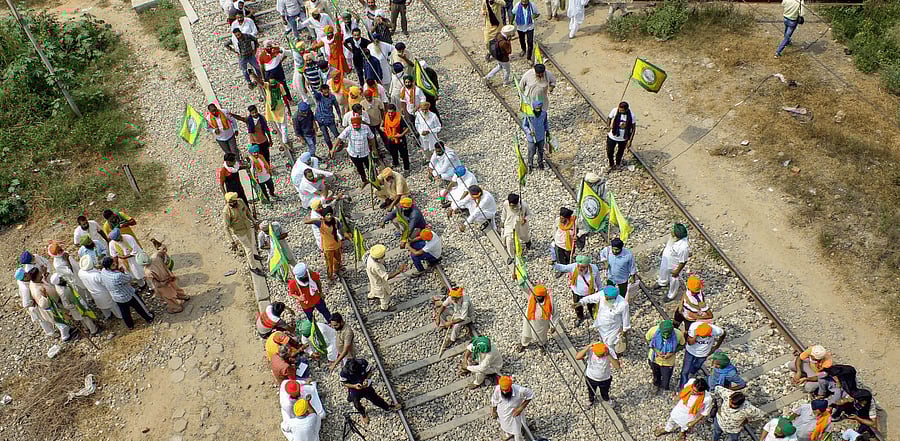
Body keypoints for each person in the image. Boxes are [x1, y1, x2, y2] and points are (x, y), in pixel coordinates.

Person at [339, 357, 401, 425]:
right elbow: (345, 383)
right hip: (355, 390)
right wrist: (354, 386)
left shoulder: (363, 362)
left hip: (366, 387)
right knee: (357, 404)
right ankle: (363, 413)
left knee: (375, 399)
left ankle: (387, 407)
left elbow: (370, 372)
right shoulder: (344, 372)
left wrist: (367, 379)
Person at [99, 257, 154, 329]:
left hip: (116, 297)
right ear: (109, 267)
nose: (115, 264)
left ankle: (130, 325)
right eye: (113, 264)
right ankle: (149, 317)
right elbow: (129, 278)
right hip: (128, 294)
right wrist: (122, 272)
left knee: (125, 312)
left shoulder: (103, 271)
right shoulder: (117, 276)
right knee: (140, 306)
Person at [222, 192, 266, 277]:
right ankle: (253, 267)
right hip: (239, 232)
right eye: (230, 202)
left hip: (247, 227)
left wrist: (254, 221)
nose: (233, 203)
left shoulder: (240, 202)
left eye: (234, 201)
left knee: (251, 243)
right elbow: (226, 227)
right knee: (248, 248)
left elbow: (247, 212)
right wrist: (232, 241)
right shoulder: (226, 212)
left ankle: (253, 256)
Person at [136, 245, 189, 314]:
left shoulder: (147, 271)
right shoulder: (156, 256)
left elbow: (155, 283)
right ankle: (184, 296)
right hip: (170, 276)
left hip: (163, 284)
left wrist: (157, 290)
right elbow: (163, 249)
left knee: (168, 296)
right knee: (176, 288)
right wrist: (160, 247)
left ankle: (176, 308)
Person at [552, 255, 601, 327]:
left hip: (590, 293)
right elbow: (563, 268)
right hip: (577, 292)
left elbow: (598, 282)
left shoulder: (594, 269)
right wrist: (554, 264)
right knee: (577, 306)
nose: (580, 268)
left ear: (587, 265)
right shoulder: (573, 266)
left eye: (583, 267)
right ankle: (580, 317)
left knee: (591, 305)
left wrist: (600, 293)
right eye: (579, 266)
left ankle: (593, 315)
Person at [579, 285, 631, 353]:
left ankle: (612, 355)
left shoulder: (623, 304)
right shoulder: (602, 294)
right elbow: (590, 298)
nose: (605, 298)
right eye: (605, 296)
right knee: (602, 338)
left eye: (608, 298)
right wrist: (580, 302)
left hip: (613, 328)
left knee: (610, 342)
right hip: (601, 323)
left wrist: (624, 332)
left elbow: (626, 319)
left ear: (615, 297)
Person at [28, 268, 74, 341]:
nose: (41, 275)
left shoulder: (36, 281)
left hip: (56, 303)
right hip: (52, 309)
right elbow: (43, 304)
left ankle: (69, 328)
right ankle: (65, 336)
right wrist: (45, 296)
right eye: (40, 274)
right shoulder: (37, 289)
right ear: (36, 276)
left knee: (64, 319)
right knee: (61, 323)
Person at [679, 322, 726, 388]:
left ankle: (691, 373)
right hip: (690, 351)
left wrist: (717, 346)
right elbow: (690, 343)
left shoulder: (716, 330)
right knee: (684, 372)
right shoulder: (693, 327)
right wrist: (695, 336)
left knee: (697, 366)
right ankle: (682, 388)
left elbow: (723, 333)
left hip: (703, 353)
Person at [302, 207, 344, 279]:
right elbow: (306, 221)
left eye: (330, 214)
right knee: (329, 264)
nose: (329, 216)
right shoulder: (320, 223)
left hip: (337, 245)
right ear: (324, 216)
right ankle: (330, 276)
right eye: (327, 215)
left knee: (338, 260)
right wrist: (317, 219)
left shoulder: (336, 221)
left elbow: (341, 229)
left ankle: (336, 270)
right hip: (327, 248)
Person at [334, 116, 376, 187]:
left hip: (365, 153)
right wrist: (333, 149)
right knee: (359, 168)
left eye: (357, 125)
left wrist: (374, 149)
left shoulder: (366, 128)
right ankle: (364, 180)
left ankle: (374, 180)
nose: (356, 127)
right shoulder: (349, 129)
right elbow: (339, 138)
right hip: (354, 154)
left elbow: (371, 138)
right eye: (354, 126)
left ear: (360, 123)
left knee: (370, 167)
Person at [646, 319, 685, 393]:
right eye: (664, 334)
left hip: (668, 362)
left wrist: (672, 352)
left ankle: (664, 388)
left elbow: (682, 345)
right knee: (655, 374)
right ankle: (656, 385)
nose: (666, 336)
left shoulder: (678, 334)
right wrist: (656, 350)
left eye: (668, 334)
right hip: (655, 359)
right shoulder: (653, 331)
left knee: (666, 378)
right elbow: (648, 339)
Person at [365, 244, 407, 311]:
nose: (384, 256)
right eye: (383, 256)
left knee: (373, 287)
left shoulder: (370, 256)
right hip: (380, 283)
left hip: (373, 278)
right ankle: (384, 308)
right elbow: (386, 277)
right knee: (385, 296)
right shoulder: (376, 267)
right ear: (378, 259)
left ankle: (371, 296)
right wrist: (399, 270)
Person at [490, 376, 534, 441]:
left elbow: (530, 395)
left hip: (515, 414)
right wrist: (494, 411)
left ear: (510, 387)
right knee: (504, 424)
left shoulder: (519, 390)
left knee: (517, 431)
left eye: (506, 390)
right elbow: (494, 400)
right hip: (502, 412)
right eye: (503, 390)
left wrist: (521, 408)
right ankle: (508, 434)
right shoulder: (497, 389)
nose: (504, 392)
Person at [654, 223, 690, 301]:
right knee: (663, 271)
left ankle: (671, 295)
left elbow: (683, 261)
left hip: (674, 265)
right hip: (666, 260)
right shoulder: (673, 238)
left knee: (674, 280)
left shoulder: (683, 247)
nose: (671, 231)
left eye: (673, 230)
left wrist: (677, 271)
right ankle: (662, 282)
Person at [16, 268, 56, 337]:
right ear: (23, 278)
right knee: (43, 320)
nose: (28, 276)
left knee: (44, 318)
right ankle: (51, 333)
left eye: (26, 274)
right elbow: (25, 304)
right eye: (25, 276)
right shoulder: (25, 288)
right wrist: (33, 301)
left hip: (36, 300)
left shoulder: (22, 281)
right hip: (33, 306)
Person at [518, 284, 557, 351]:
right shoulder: (531, 296)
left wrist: (553, 326)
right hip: (529, 321)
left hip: (542, 324)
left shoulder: (550, 301)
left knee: (541, 337)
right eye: (535, 295)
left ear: (543, 296)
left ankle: (541, 345)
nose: (536, 297)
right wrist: (516, 278)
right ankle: (524, 344)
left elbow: (556, 314)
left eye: (538, 296)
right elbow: (524, 286)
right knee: (526, 334)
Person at [500, 193, 532, 264]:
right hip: (509, 224)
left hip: (521, 225)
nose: (512, 207)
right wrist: (502, 221)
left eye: (513, 205)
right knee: (509, 240)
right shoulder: (506, 204)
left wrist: (525, 219)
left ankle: (528, 242)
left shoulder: (524, 205)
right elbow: (504, 213)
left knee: (524, 237)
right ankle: (512, 256)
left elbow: (529, 214)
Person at [607, 101, 636, 171]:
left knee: (620, 152)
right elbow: (609, 117)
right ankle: (611, 164)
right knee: (609, 151)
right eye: (619, 109)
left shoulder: (631, 115)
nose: (620, 111)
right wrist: (608, 126)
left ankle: (618, 164)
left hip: (623, 138)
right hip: (612, 136)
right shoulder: (615, 110)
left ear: (626, 110)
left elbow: (633, 128)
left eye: (622, 110)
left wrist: (630, 140)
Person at [313, 84, 343, 152]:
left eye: (327, 91)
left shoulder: (332, 97)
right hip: (320, 119)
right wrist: (311, 86)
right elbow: (314, 92)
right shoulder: (319, 97)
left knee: (336, 133)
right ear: (321, 91)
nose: (326, 93)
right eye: (324, 92)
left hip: (329, 118)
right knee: (326, 137)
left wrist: (339, 116)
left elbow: (337, 107)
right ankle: (331, 149)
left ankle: (341, 143)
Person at [382, 103, 410, 171]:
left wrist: (401, 135)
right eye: (389, 112)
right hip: (390, 138)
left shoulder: (400, 118)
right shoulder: (386, 116)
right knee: (393, 152)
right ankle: (395, 163)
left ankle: (406, 168)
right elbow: (383, 121)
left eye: (392, 113)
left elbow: (407, 128)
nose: (390, 114)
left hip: (400, 139)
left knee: (404, 155)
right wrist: (381, 127)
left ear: (395, 111)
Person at [522, 100, 548, 170]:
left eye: (539, 108)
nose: (538, 110)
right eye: (537, 108)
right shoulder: (529, 115)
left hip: (541, 136)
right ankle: (530, 164)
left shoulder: (544, 114)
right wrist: (529, 132)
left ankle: (540, 163)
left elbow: (545, 123)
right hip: (532, 138)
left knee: (541, 151)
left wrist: (547, 131)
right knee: (531, 152)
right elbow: (524, 125)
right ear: (533, 108)